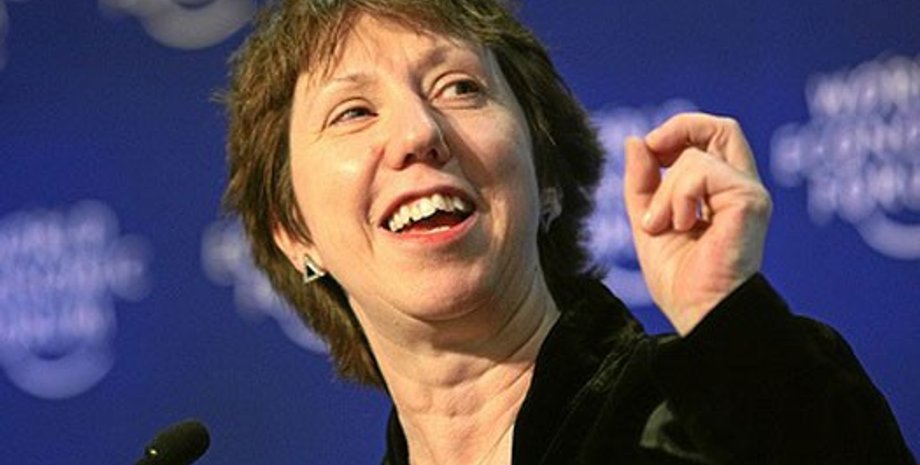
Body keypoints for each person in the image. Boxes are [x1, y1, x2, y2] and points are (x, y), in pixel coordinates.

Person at [221, 1, 916, 464]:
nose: (418, 133)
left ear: (546, 177)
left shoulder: (717, 413)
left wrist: (728, 321)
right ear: (295, 232)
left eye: (460, 87)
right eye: (352, 111)